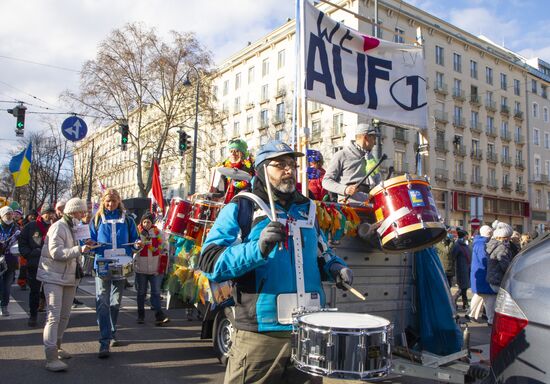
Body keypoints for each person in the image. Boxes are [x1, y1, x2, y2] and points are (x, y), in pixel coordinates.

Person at [199, 140, 360, 384]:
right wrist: (257, 248)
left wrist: (335, 267)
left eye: (292, 164)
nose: (289, 170)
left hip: (309, 329)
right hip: (260, 333)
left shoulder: (308, 208)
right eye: (280, 164)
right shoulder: (242, 206)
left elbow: (320, 251)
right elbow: (210, 261)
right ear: (263, 169)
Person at [37, 198, 92, 372]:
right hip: (53, 276)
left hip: (68, 277)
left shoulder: (73, 228)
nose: (83, 215)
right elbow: (56, 252)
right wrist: (79, 250)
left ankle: (58, 347)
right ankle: (50, 356)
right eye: (81, 212)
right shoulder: (59, 227)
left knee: (64, 315)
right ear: (72, 212)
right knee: (53, 316)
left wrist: (85, 247)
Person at [90, 188, 139, 358]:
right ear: (103, 201)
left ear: (119, 201)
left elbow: (135, 240)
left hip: (122, 263)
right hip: (103, 263)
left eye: (114, 201)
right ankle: (104, 341)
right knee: (102, 301)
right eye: (108, 201)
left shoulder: (128, 220)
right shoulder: (96, 219)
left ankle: (111, 330)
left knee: (116, 301)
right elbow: (89, 240)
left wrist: (138, 244)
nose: (111, 204)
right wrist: (90, 244)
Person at [19, 203, 57, 326]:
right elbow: (22, 241)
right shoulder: (31, 226)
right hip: (35, 263)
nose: (50, 216)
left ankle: (50, 315)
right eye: (47, 213)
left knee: (50, 291)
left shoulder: (56, 226)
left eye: (52, 213)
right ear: (42, 214)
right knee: (34, 290)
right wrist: (29, 254)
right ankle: (33, 314)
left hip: (52, 265)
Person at [322, 123, 380, 203]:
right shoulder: (341, 155)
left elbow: (378, 182)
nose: (375, 143)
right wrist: (345, 189)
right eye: (373, 138)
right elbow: (326, 181)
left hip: (371, 206)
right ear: (366, 137)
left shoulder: (371, 158)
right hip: (349, 209)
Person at [134, 212, 169, 325]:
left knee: (155, 292)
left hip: (155, 268)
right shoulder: (137, 233)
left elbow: (164, 246)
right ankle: (141, 315)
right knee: (141, 293)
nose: (146, 224)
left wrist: (163, 254)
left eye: (148, 222)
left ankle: (159, 315)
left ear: (152, 223)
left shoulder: (158, 233)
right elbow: (133, 247)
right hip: (141, 268)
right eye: (144, 222)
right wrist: (137, 245)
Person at [210, 138, 255, 203]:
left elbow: (251, 186)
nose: (233, 154)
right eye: (231, 151)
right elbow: (218, 188)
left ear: (242, 154)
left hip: (240, 201)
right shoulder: (223, 166)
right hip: (223, 201)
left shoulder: (249, 167)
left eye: (236, 151)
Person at [468, 225, 496, 324]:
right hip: (483, 274)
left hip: (480, 274)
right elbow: (484, 260)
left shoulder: (479, 243)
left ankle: (470, 314)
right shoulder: (482, 244)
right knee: (490, 298)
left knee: (479, 295)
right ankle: (491, 319)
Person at [0, 206, 20, 316]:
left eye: (11, 214)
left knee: (7, 285)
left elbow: (21, 243)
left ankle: (4, 306)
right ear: (2, 216)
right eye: (7, 214)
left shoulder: (16, 228)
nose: (9, 216)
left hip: (11, 261)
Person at [486, 223, 514, 295]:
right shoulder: (502, 247)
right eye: (509, 237)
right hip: (499, 280)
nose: (510, 239)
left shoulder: (491, 244)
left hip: (492, 279)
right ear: (504, 237)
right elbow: (505, 266)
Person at [452, 229, 471, 310]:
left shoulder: (465, 245)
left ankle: (465, 303)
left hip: (466, 268)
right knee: (463, 287)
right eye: (466, 235)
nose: (467, 236)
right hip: (461, 269)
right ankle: (454, 299)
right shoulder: (457, 245)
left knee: (464, 287)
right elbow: (453, 257)